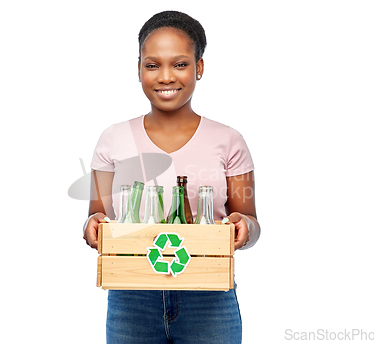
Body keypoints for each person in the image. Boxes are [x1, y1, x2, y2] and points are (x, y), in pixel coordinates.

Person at [83, 10, 260, 344]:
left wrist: (244, 227)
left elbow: (250, 220)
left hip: (207, 295)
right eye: (152, 65)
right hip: (131, 295)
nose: (165, 77)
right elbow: (97, 214)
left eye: (179, 64)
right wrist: (92, 225)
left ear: (199, 68)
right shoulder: (112, 139)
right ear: (139, 69)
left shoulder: (229, 140)